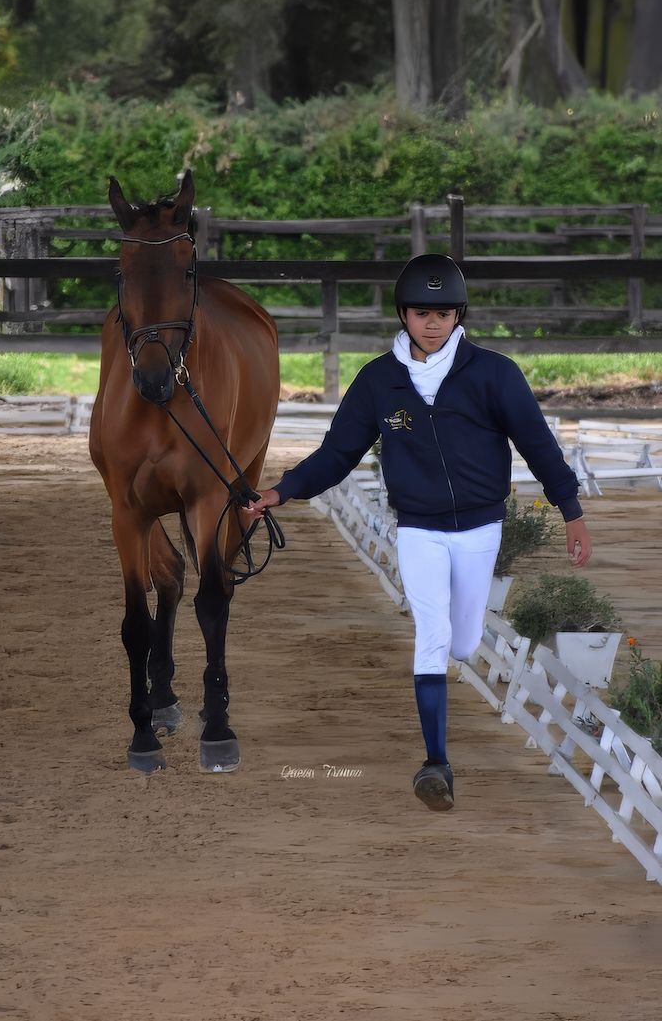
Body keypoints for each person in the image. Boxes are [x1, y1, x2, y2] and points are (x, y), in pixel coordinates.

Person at [244, 253, 592, 813]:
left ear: (459, 315)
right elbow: (337, 453)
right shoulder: (378, 382)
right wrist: (279, 492)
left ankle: (452, 677)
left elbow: (538, 444)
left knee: (463, 642)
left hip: (481, 528)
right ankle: (436, 764)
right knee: (431, 636)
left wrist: (570, 509)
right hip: (419, 530)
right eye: (422, 312)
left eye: (445, 313)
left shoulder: (495, 374)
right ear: (403, 314)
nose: (433, 323)